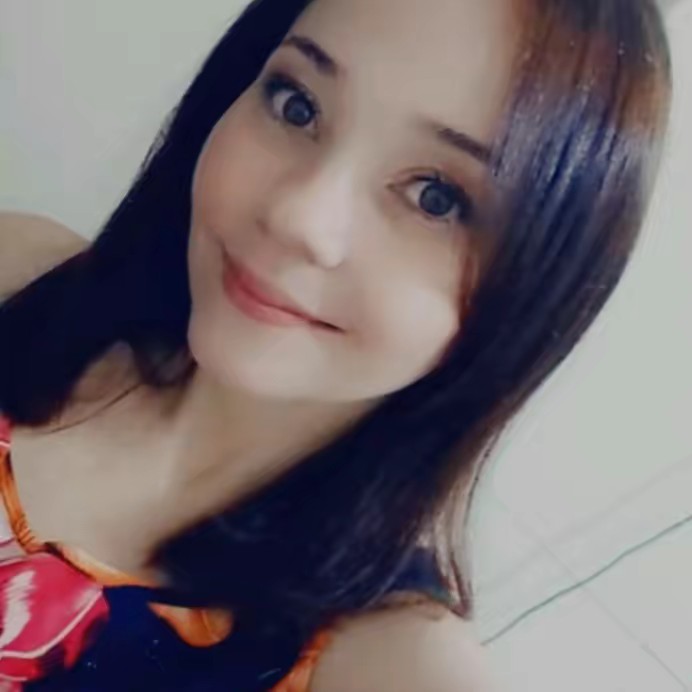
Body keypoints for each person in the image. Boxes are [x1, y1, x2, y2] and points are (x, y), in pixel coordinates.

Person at [0, 0, 672, 689]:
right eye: (297, 105)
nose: (299, 216)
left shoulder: (388, 663)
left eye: (436, 197)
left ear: (533, 291)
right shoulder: (17, 269)